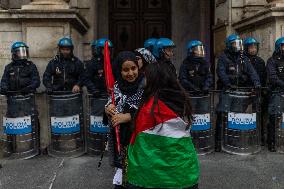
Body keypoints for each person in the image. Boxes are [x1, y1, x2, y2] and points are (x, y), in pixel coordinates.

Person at [127, 61, 199, 189]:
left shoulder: (148, 109)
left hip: (150, 176)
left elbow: (136, 140)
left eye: (146, 77)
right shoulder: (183, 102)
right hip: (183, 172)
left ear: (153, 80)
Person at [104, 51, 144, 189]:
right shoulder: (116, 85)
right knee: (122, 171)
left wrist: (127, 117)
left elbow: (150, 112)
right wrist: (108, 107)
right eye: (125, 70)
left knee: (137, 174)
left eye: (133, 68)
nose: (131, 73)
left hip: (138, 138)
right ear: (119, 71)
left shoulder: (145, 86)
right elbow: (111, 100)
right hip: (120, 137)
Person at [215, 34, 261, 152]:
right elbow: (221, 72)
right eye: (235, 44)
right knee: (223, 115)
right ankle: (218, 142)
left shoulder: (242, 58)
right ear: (229, 45)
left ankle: (232, 141)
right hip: (227, 90)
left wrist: (256, 82)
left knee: (234, 116)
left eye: (239, 44)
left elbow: (251, 71)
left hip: (238, 92)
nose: (238, 46)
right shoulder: (223, 57)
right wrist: (227, 83)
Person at [244, 37, 267, 146]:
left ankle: (259, 137)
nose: (253, 49)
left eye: (254, 47)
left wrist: (262, 91)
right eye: (250, 47)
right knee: (244, 115)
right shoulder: (242, 60)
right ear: (246, 48)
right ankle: (245, 136)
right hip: (245, 91)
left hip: (258, 91)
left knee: (258, 115)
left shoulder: (260, 61)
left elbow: (263, 77)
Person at [266, 37, 284, 152]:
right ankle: (272, 142)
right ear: (279, 47)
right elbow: (272, 77)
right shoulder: (272, 61)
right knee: (274, 117)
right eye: (283, 46)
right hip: (276, 92)